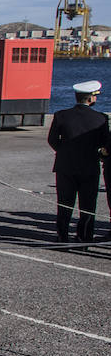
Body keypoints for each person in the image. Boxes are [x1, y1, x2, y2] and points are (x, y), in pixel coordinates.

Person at [47, 80, 110, 244]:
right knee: (88, 206)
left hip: (65, 166)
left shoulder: (61, 115)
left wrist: (64, 152)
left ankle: (62, 236)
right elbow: (105, 144)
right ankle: (84, 238)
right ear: (91, 98)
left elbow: (52, 140)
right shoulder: (101, 119)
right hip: (89, 166)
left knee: (64, 204)